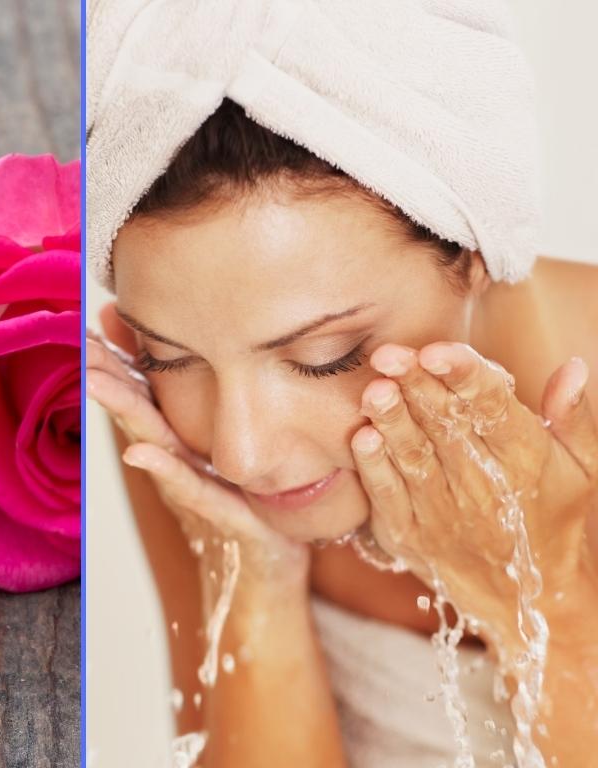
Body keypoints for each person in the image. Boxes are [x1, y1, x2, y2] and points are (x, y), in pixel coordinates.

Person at [85, 3, 598, 766]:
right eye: (170, 356)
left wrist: (547, 595)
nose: (243, 451)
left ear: (477, 250)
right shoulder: (184, 443)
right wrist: (255, 574)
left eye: (324, 356)